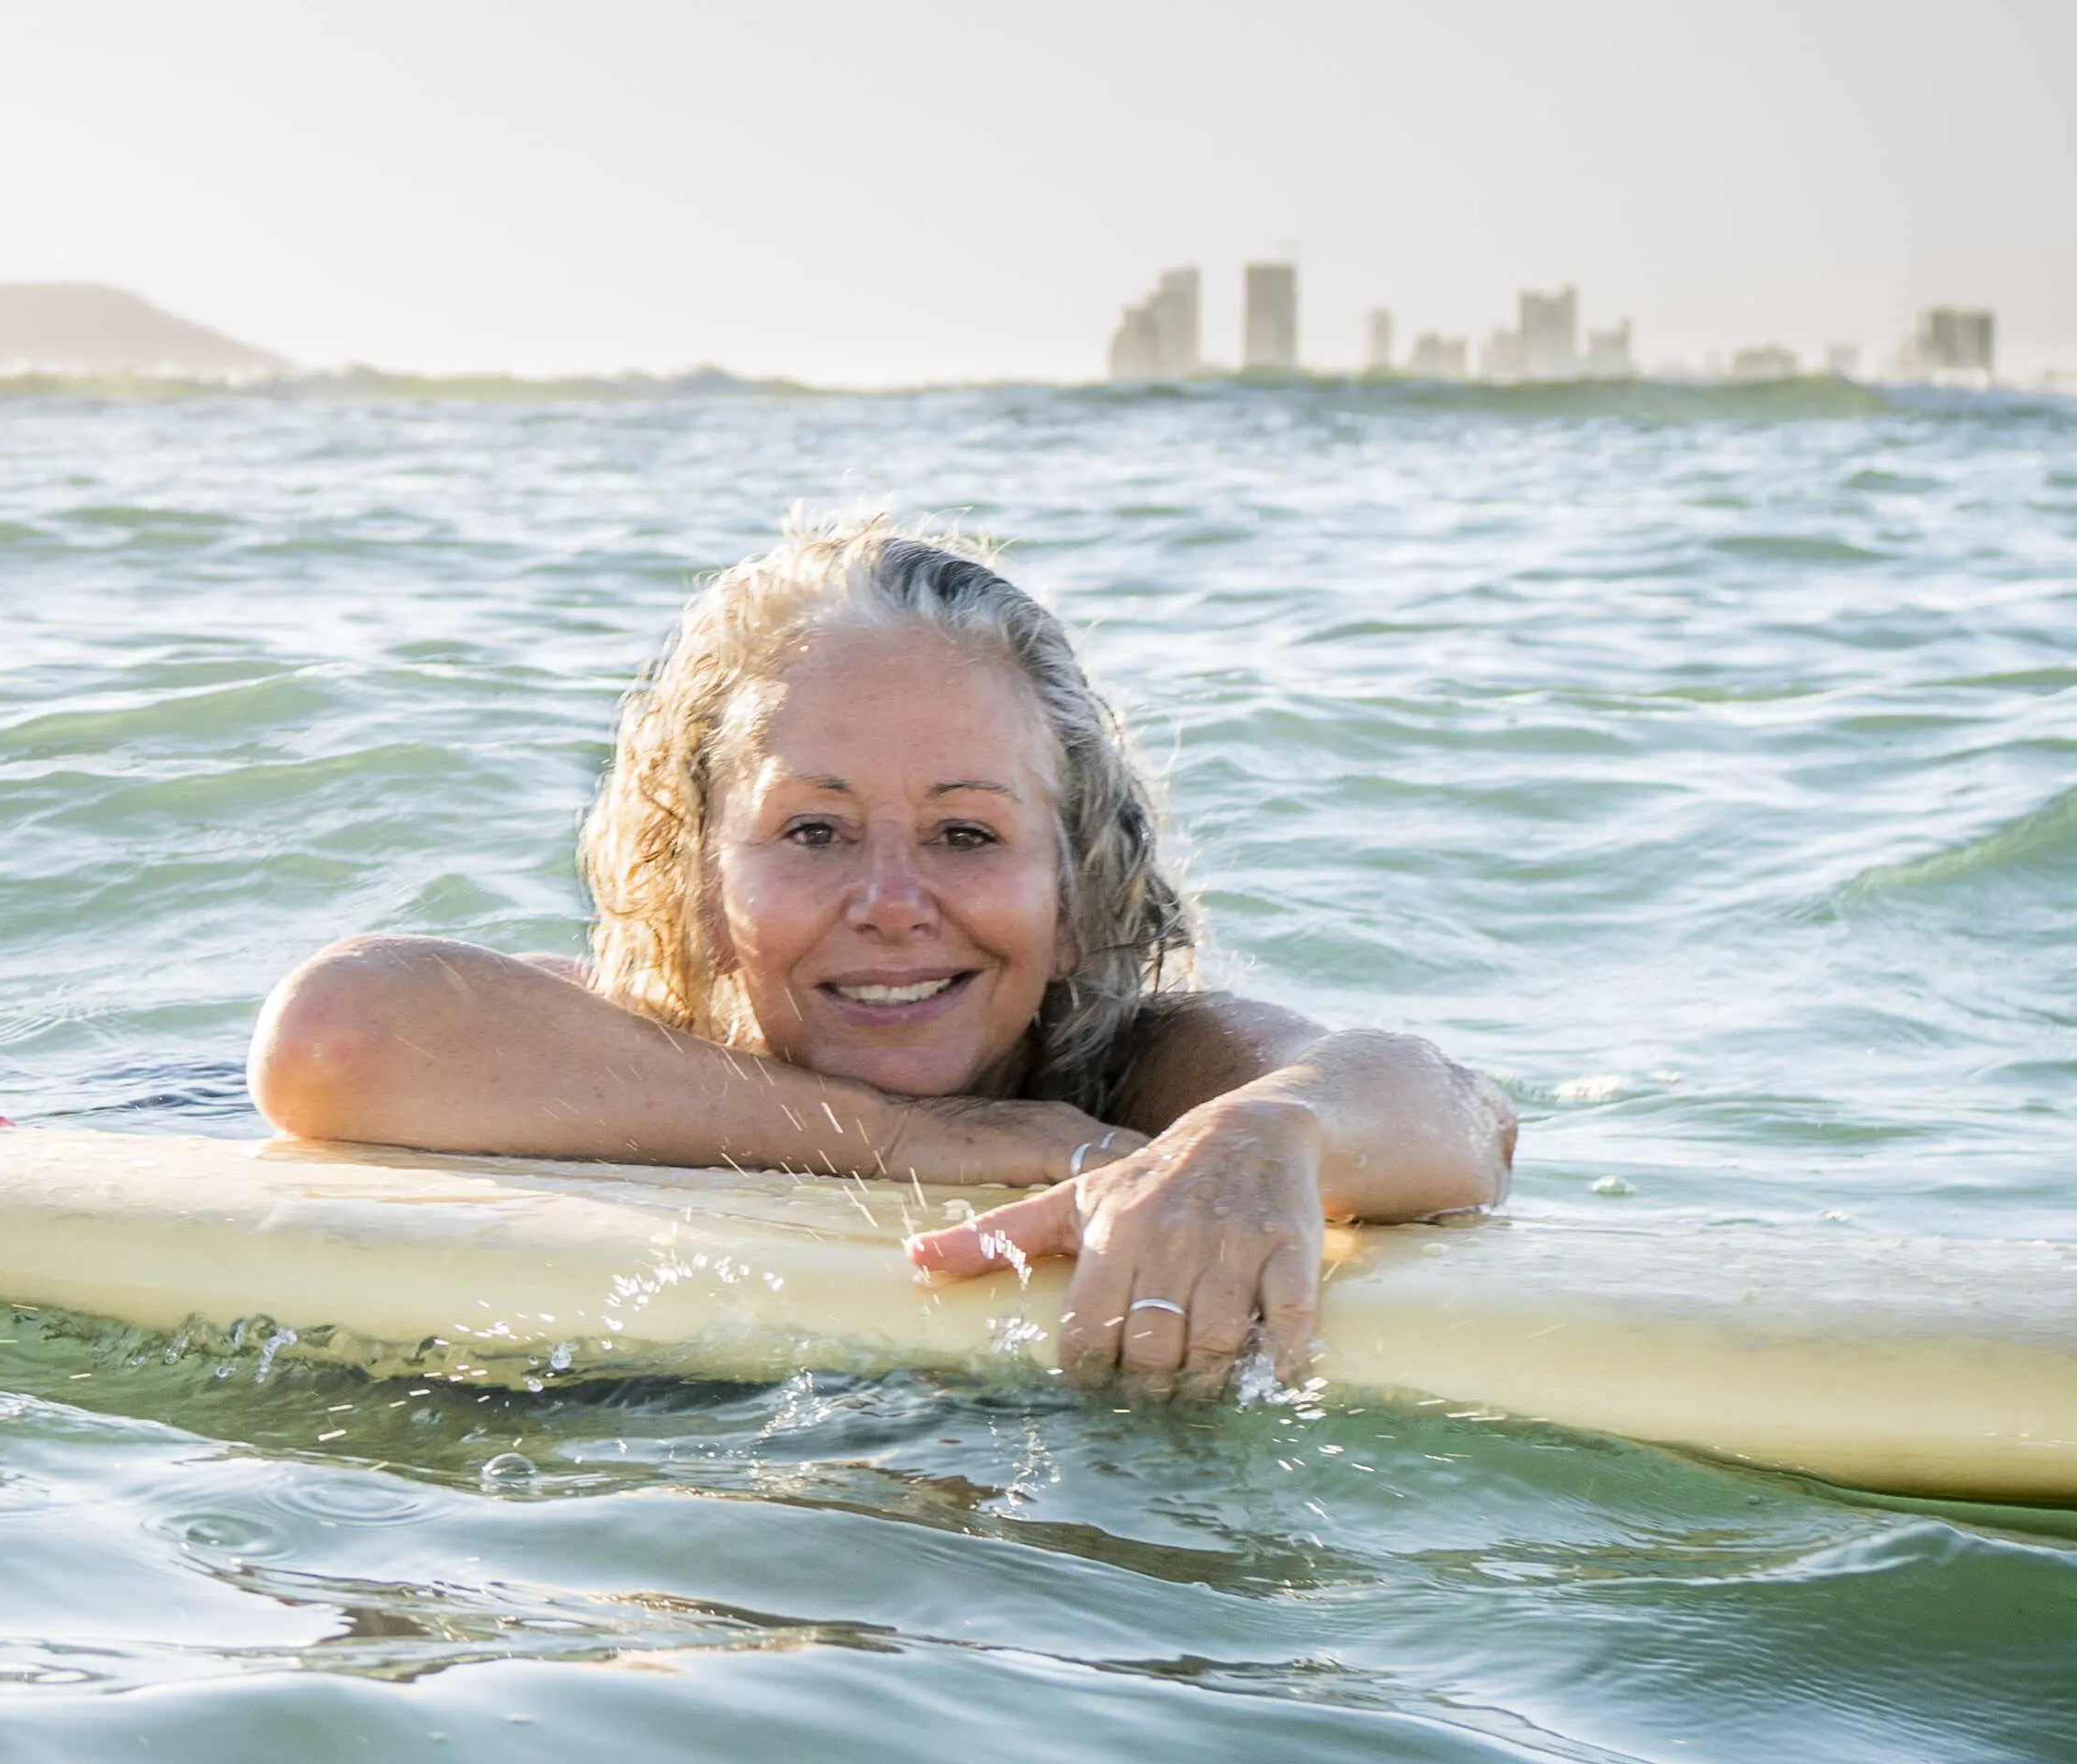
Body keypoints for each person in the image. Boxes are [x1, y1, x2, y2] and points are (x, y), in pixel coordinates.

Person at [250, 518, 1514, 1400]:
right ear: (697, 887)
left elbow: (1457, 1115)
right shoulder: (626, 1046)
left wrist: (1259, 1146)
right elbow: (336, 1035)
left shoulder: (1134, 1078)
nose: (892, 903)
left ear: (1078, 893)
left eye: (967, 833)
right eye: (814, 830)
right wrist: (913, 1144)